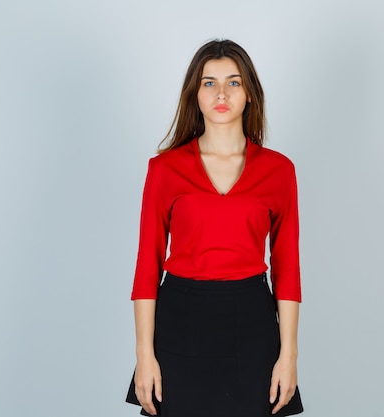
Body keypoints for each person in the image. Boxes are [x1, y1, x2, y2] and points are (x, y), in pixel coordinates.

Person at [125, 39, 303, 417]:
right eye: (209, 82)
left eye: (234, 82)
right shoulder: (164, 169)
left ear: (250, 94)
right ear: (195, 94)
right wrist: (144, 354)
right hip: (179, 322)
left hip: (252, 323)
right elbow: (147, 265)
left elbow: (287, 271)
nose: (221, 93)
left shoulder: (279, 170)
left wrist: (289, 356)